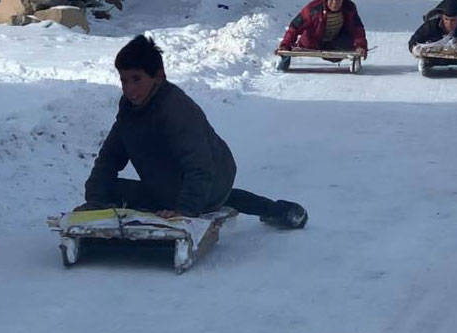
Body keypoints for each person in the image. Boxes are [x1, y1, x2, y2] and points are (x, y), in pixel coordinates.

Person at [75, 35, 308, 229]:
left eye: (137, 79)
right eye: (124, 81)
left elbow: (199, 166)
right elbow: (109, 158)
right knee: (110, 188)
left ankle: (276, 210)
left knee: (220, 197)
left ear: (159, 76)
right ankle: (265, 207)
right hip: (165, 184)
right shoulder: (128, 111)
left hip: (210, 180)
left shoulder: (176, 109)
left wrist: (185, 211)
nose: (130, 89)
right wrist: (95, 200)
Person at [276, 0, 367, 67]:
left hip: (335, 43)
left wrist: (360, 46)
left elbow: (357, 28)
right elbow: (295, 26)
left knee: (346, 43)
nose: (335, 3)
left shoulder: (349, 8)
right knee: (307, 42)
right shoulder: (313, 9)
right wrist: (285, 45)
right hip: (312, 43)